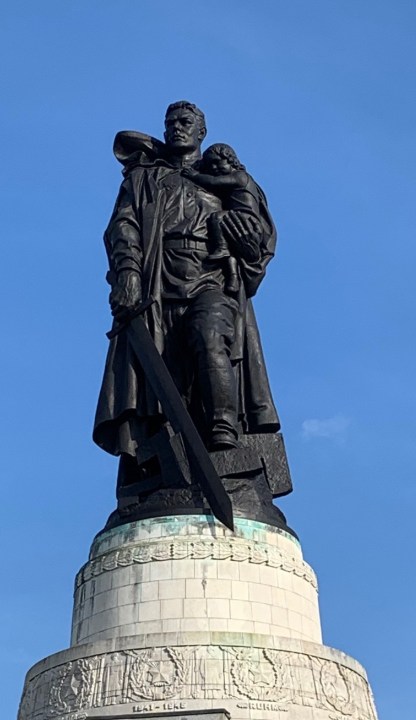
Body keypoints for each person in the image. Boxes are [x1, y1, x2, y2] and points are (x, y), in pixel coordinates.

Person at [94, 100, 280, 466]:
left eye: (184, 122)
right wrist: (128, 273)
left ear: (201, 132)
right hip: (157, 281)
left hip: (211, 277)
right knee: (164, 372)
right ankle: (171, 451)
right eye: (170, 123)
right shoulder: (144, 178)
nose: (176, 128)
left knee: (210, 335)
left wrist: (248, 243)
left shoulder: (224, 176)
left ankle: (223, 426)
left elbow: (257, 233)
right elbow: (123, 227)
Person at [181, 143, 263, 294]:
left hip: (245, 218)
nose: (214, 168)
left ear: (231, 161)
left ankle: (222, 247)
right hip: (237, 218)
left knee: (217, 217)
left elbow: (213, 182)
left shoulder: (240, 177)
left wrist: (194, 176)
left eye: (218, 163)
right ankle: (233, 277)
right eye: (210, 165)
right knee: (232, 252)